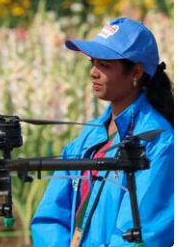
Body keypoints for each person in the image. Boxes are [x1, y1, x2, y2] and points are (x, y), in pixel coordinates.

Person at [31, 17, 174, 246]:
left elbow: (143, 233)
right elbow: (50, 215)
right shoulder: (89, 136)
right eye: (92, 63)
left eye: (105, 65)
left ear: (135, 72)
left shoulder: (160, 142)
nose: (93, 73)